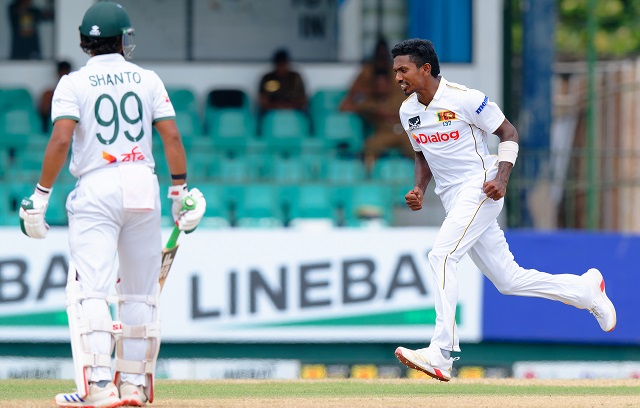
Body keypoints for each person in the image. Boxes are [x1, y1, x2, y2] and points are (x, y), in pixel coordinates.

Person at [390, 38, 616, 382]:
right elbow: (422, 154)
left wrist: (502, 179)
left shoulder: (466, 98)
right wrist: (419, 188)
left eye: (403, 70)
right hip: (453, 199)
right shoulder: (408, 112)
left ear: (425, 69)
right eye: (395, 71)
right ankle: (584, 291)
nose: (397, 77)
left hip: (481, 187)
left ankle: (441, 353)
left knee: (442, 255)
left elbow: (508, 133)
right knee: (508, 280)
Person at [18, 2, 206, 407]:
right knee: (140, 293)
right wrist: (179, 191)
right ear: (122, 40)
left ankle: (100, 385)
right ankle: (134, 385)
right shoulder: (148, 79)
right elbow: (172, 138)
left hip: (96, 186)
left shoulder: (72, 83)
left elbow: (61, 139)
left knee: (92, 290)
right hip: (142, 184)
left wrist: (41, 195)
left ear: (84, 41)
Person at [339, 38, 413, 171]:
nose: (381, 87)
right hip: (383, 133)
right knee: (369, 146)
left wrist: (392, 115)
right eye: (378, 85)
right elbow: (345, 107)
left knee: (420, 148)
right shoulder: (369, 100)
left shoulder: (400, 95)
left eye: (384, 84)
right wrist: (374, 112)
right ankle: (369, 176)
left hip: (403, 132)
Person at [257, 48, 308, 132]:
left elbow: (303, 99)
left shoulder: (295, 77)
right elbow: (263, 101)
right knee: (260, 118)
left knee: (306, 117)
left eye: (284, 64)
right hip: (272, 110)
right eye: (279, 65)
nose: (282, 68)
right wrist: (278, 106)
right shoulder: (268, 78)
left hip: (294, 109)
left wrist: (287, 107)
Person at [39, 60, 72, 133]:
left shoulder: (76, 94)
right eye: (62, 72)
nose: (63, 75)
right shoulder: (48, 94)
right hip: (52, 128)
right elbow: (43, 113)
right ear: (58, 73)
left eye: (66, 73)